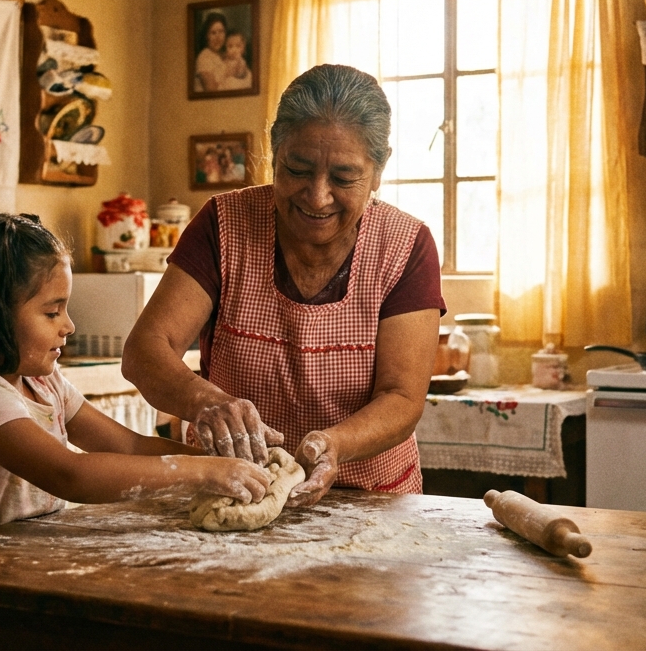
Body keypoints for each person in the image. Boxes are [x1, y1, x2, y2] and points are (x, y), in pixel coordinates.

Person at [123, 64, 445, 506]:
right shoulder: (224, 224)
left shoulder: (406, 245)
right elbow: (145, 351)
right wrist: (205, 401)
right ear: (274, 153)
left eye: (343, 178)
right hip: (236, 488)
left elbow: (402, 397)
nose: (317, 196)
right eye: (297, 169)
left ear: (378, 170)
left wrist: (334, 445)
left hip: (369, 498)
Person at [0, 211, 270, 540]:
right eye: (52, 312)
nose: (69, 326)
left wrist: (225, 465)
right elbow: (70, 474)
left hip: (16, 572)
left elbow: (128, 446)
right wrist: (204, 473)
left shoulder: (44, 384)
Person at [194, 12, 229, 92]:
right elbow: (212, 92)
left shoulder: (224, 55)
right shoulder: (204, 57)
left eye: (221, 31)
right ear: (207, 36)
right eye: (213, 33)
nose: (218, 37)